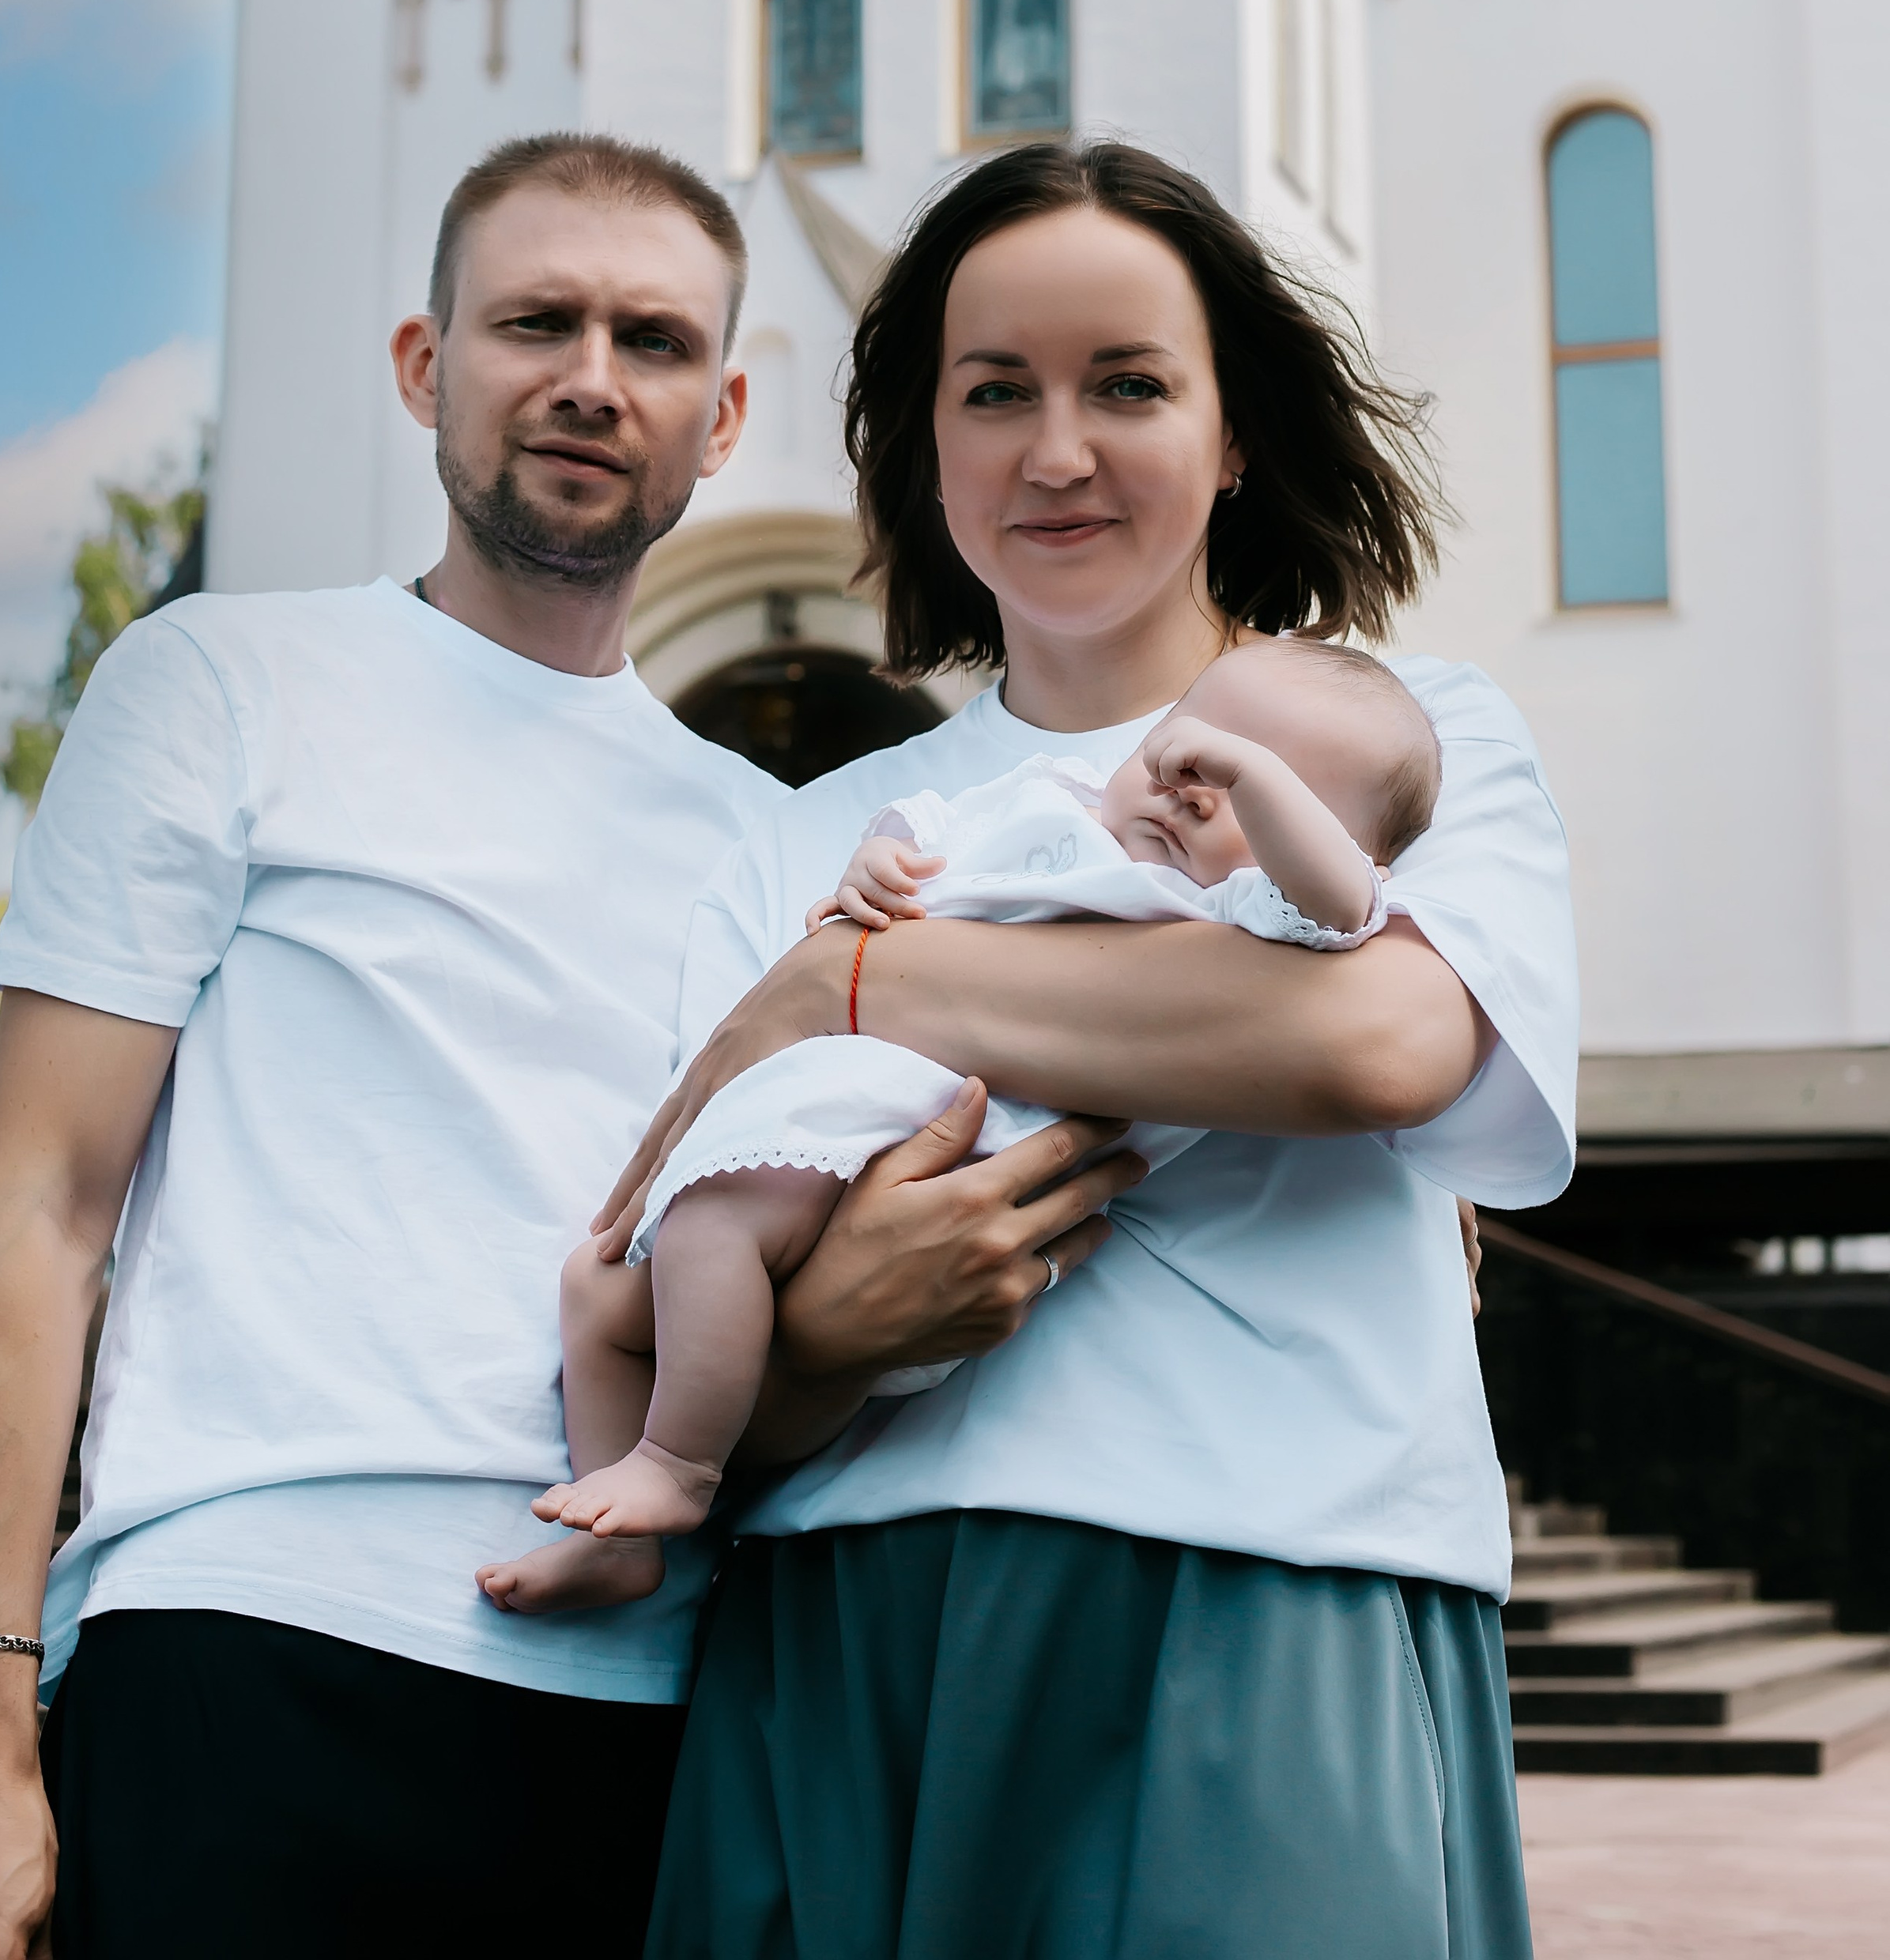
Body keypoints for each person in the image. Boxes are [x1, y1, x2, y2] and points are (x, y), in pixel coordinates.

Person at [0, 133, 1145, 1960]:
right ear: (424, 364)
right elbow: (36, 1213)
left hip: (652, 1705)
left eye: (645, 340)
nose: (585, 377)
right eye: (534, 320)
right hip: (247, 1635)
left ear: (719, 419)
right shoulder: (218, 685)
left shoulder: (772, 843)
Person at [619, 138, 1575, 1960]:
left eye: (1126, 383)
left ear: (1229, 433)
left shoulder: (1413, 733)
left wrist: (862, 985)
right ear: (922, 445)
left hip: (1273, 1586)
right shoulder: (793, 832)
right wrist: (826, 1328)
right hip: (842, 1619)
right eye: (993, 392)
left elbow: (1376, 1039)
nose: (1054, 448)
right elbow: (679, 1263)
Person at [484, 638, 1438, 1608]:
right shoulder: (1048, 798)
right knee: (596, 1288)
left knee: (710, 1233)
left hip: (952, 1163)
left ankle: (675, 1465)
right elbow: (925, 839)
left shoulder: (1232, 911)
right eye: (1189, 745)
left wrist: (1254, 777)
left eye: (1257, 785)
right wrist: (876, 866)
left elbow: (1342, 908)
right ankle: (614, 1539)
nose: (1198, 784)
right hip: (839, 1131)